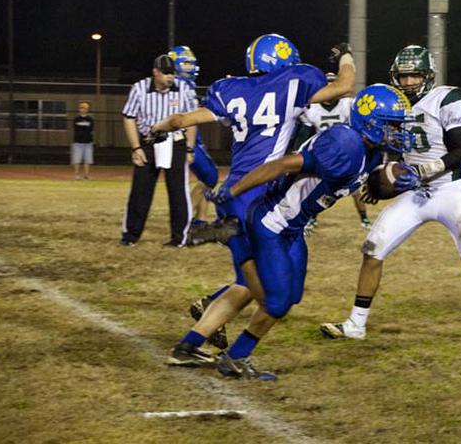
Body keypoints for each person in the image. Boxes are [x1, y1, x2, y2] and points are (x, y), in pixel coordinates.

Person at [189, 84, 417, 380]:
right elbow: (282, 165)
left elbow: (358, 180)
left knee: (290, 297)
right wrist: (232, 191)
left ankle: (219, 350)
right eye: (393, 125)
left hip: (294, 228)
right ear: (370, 121)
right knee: (276, 301)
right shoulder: (344, 144)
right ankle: (234, 353)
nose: (398, 132)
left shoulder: (370, 151)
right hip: (273, 222)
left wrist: (384, 185)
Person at [152, 35, 356, 361]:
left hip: (233, 190)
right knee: (274, 297)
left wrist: (157, 128)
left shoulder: (230, 88)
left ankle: (189, 344)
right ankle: (236, 352)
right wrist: (345, 56)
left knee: (245, 284)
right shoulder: (293, 82)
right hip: (258, 194)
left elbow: (179, 121)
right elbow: (345, 86)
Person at [320, 45, 461, 344]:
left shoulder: (446, 99)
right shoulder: (393, 104)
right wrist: (381, 176)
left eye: (415, 76)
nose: (408, 82)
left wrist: (427, 169)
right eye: (404, 76)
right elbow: (384, 146)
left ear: (428, 75)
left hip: (448, 189)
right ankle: (355, 324)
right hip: (414, 191)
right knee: (373, 248)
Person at [120, 54, 197, 247]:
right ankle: (130, 236)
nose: (170, 77)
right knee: (140, 191)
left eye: (172, 73)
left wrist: (189, 148)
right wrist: (136, 147)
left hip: (175, 142)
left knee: (178, 191)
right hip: (149, 143)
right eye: (166, 73)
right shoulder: (139, 88)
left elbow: (192, 120)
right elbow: (129, 117)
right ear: (155, 72)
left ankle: (179, 238)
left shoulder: (183, 89)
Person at [297, 73, 372, 232]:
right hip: (321, 156)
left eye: (333, 85)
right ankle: (310, 218)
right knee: (313, 190)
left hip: (345, 155)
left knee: (355, 188)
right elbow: (304, 133)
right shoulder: (312, 108)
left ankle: (364, 218)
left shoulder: (347, 105)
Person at [168, 45, 220, 225]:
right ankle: (184, 217)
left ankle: (201, 220)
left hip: (192, 137)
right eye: (186, 63)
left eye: (192, 63)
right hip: (185, 138)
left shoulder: (184, 85)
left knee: (206, 178)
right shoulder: (178, 85)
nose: (190, 67)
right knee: (210, 176)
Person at [71, 101, 94, 180]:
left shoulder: (90, 119)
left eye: (85, 108)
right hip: (78, 142)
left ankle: (86, 175)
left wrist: (82, 127)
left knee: (87, 160)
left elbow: (91, 129)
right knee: (77, 159)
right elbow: (76, 129)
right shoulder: (76, 119)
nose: (84, 110)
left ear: (87, 109)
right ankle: (76, 175)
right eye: (82, 108)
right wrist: (84, 127)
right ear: (79, 109)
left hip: (88, 142)